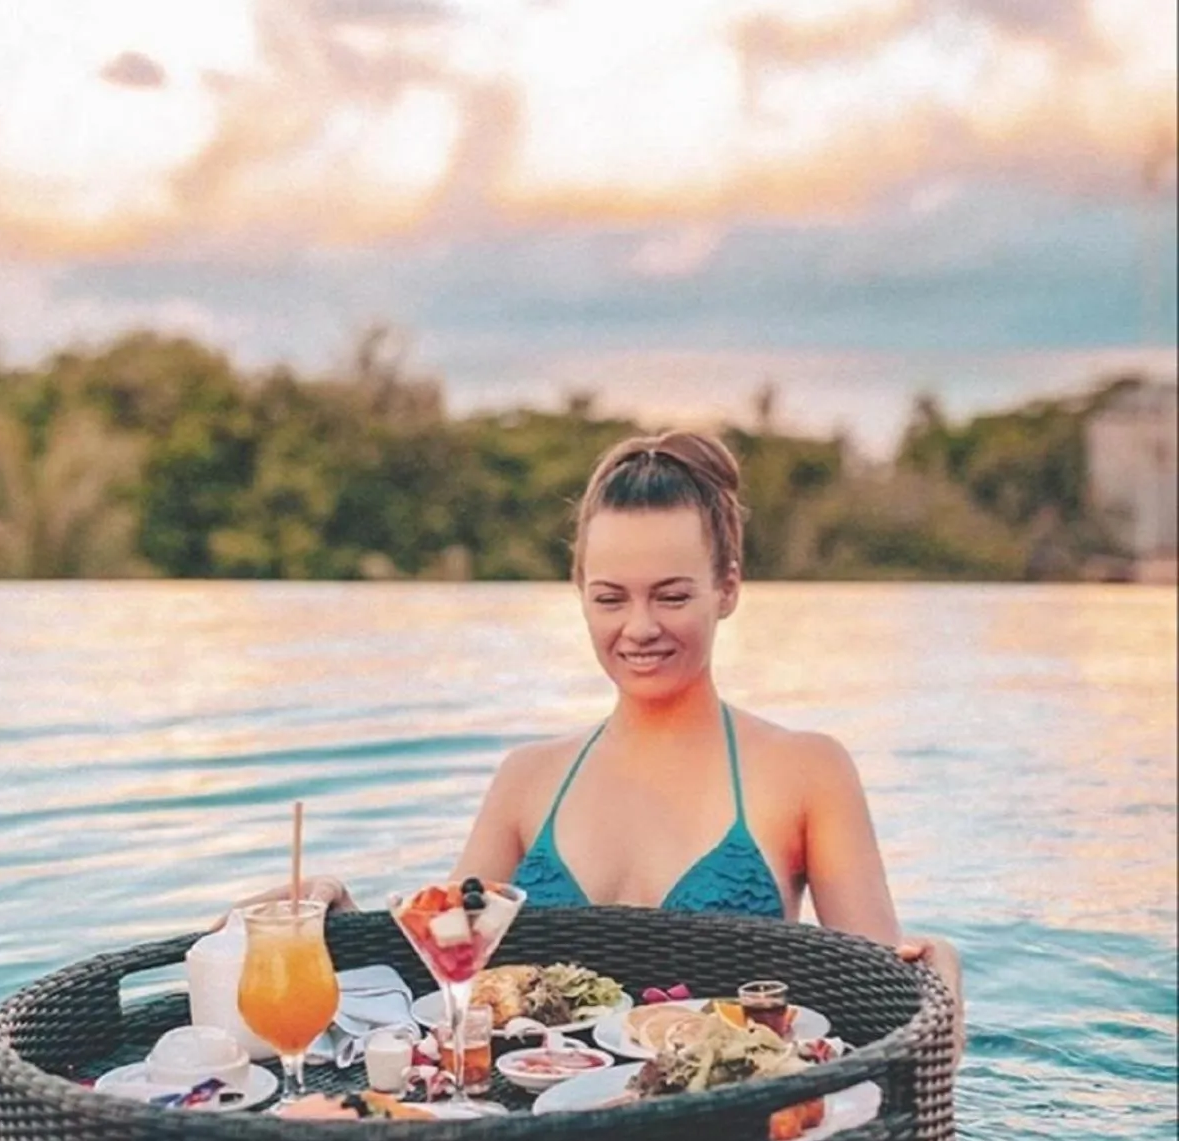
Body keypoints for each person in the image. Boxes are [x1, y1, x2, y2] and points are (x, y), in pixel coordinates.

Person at [236, 429, 963, 1061]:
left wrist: (939, 978)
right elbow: (445, 974)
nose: (639, 627)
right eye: (610, 597)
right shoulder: (528, 779)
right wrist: (333, 922)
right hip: (544, 1138)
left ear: (729, 590)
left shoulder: (806, 771)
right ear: (579, 590)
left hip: (723, 1129)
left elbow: (879, 1009)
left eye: (672, 596)